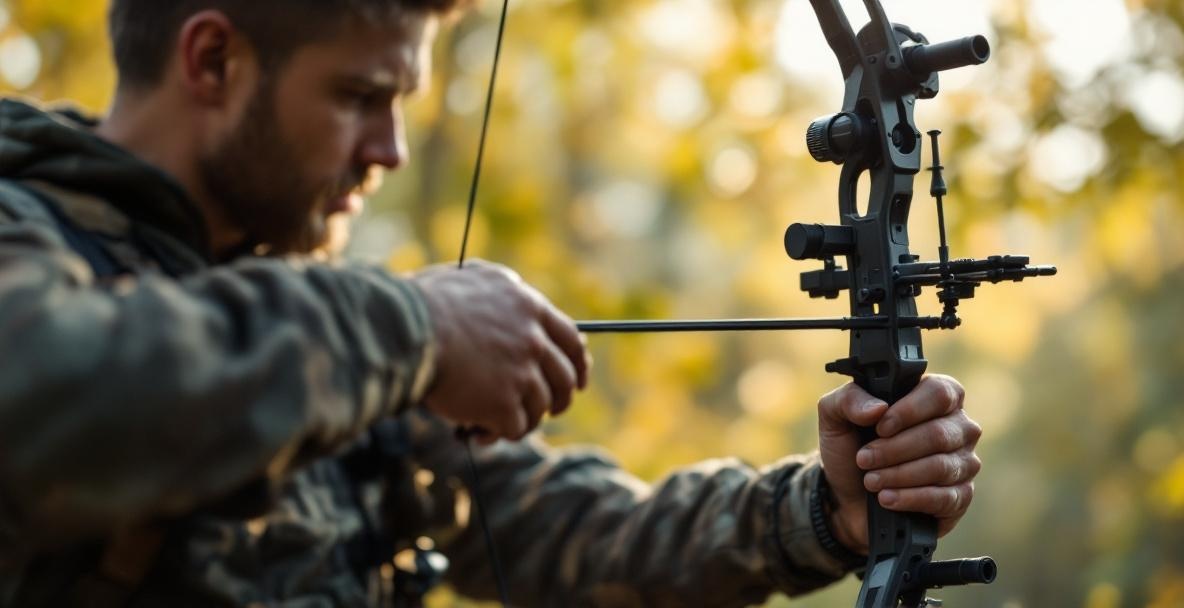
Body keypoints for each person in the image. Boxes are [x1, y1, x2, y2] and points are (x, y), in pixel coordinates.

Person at [0, 1, 984, 606]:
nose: (387, 151)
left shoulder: (316, 333)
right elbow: (41, 397)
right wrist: (414, 328)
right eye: (358, 95)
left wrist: (822, 510)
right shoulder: (29, 234)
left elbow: (566, 534)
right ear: (213, 61)